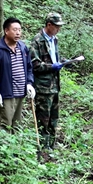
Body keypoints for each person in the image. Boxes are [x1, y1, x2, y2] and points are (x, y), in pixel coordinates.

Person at [0, 18, 35, 127]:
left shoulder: (23, 48)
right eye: (15, 30)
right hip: (6, 94)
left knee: (17, 125)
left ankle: (16, 144)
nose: (18, 33)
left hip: (21, 93)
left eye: (20, 30)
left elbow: (29, 67)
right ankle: (3, 144)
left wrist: (29, 83)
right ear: (6, 31)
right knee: (5, 124)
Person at [30, 13, 66, 150]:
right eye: (56, 26)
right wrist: (52, 67)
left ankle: (51, 144)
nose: (58, 29)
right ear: (49, 25)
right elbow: (35, 65)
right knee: (43, 118)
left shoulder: (54, 40)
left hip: (55, 85)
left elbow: (54, 58)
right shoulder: (37, 41)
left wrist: (64, 62)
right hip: (43, 87)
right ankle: (42, 146)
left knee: (53, 118)